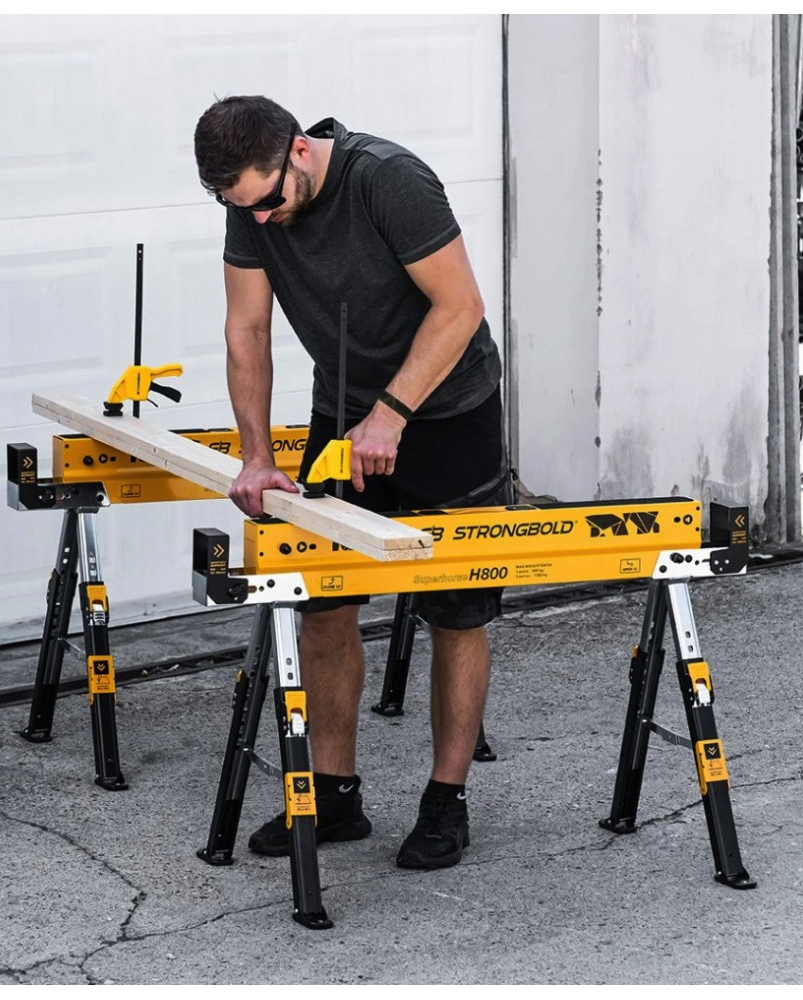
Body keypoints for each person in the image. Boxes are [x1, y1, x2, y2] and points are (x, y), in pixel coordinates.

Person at [193, 95, 511, 870]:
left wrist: (392, 415)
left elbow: (461, 305)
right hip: (343, 410)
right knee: (324, 602)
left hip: (449, 409)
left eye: (268, 201)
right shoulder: (251, 205)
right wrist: (256, 455)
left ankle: (446, 801)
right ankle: (334, 796)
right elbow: (248, 329)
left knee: (455, 609)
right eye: (244, 208)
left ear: (299, 151)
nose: (261, 219)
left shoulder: (389, 180)